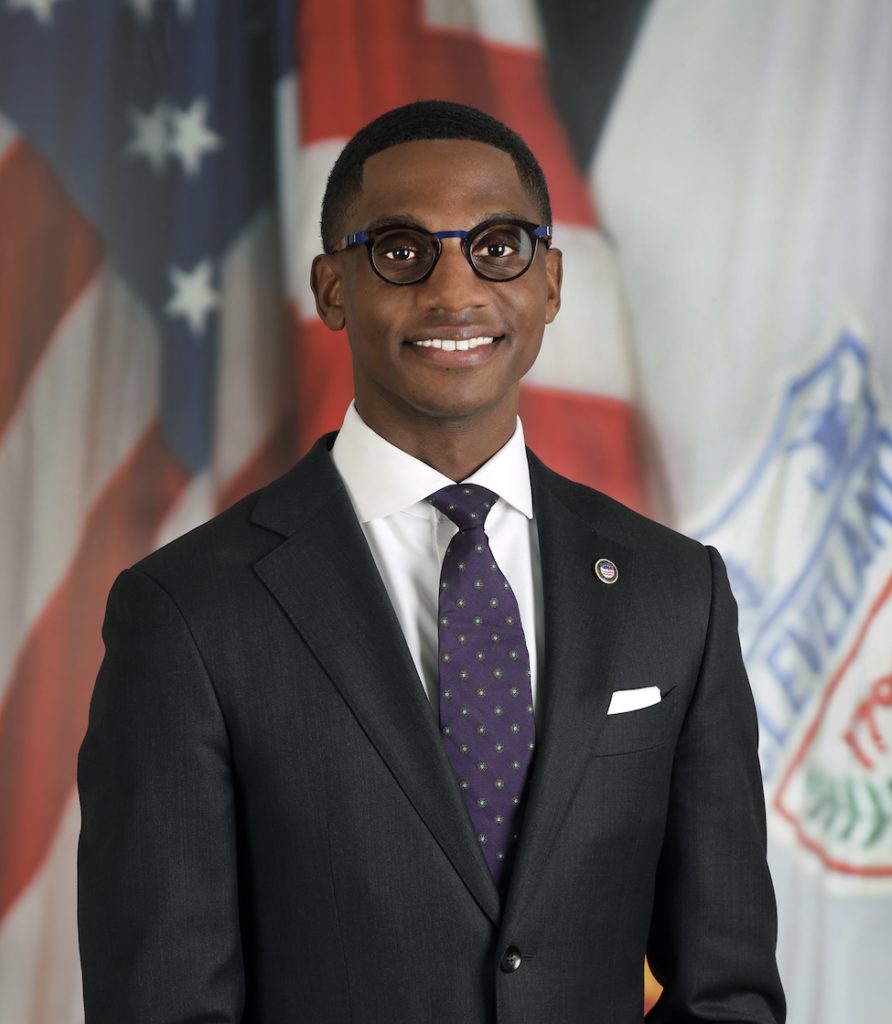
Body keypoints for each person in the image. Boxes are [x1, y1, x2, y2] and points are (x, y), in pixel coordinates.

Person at [77, 100, 786, 1024]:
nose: (455, 293)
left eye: (498, 246)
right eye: (402, 251)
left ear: (551, 283)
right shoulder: (186, 613)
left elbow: (725, 991)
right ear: (333, 287)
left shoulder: (674, 594)